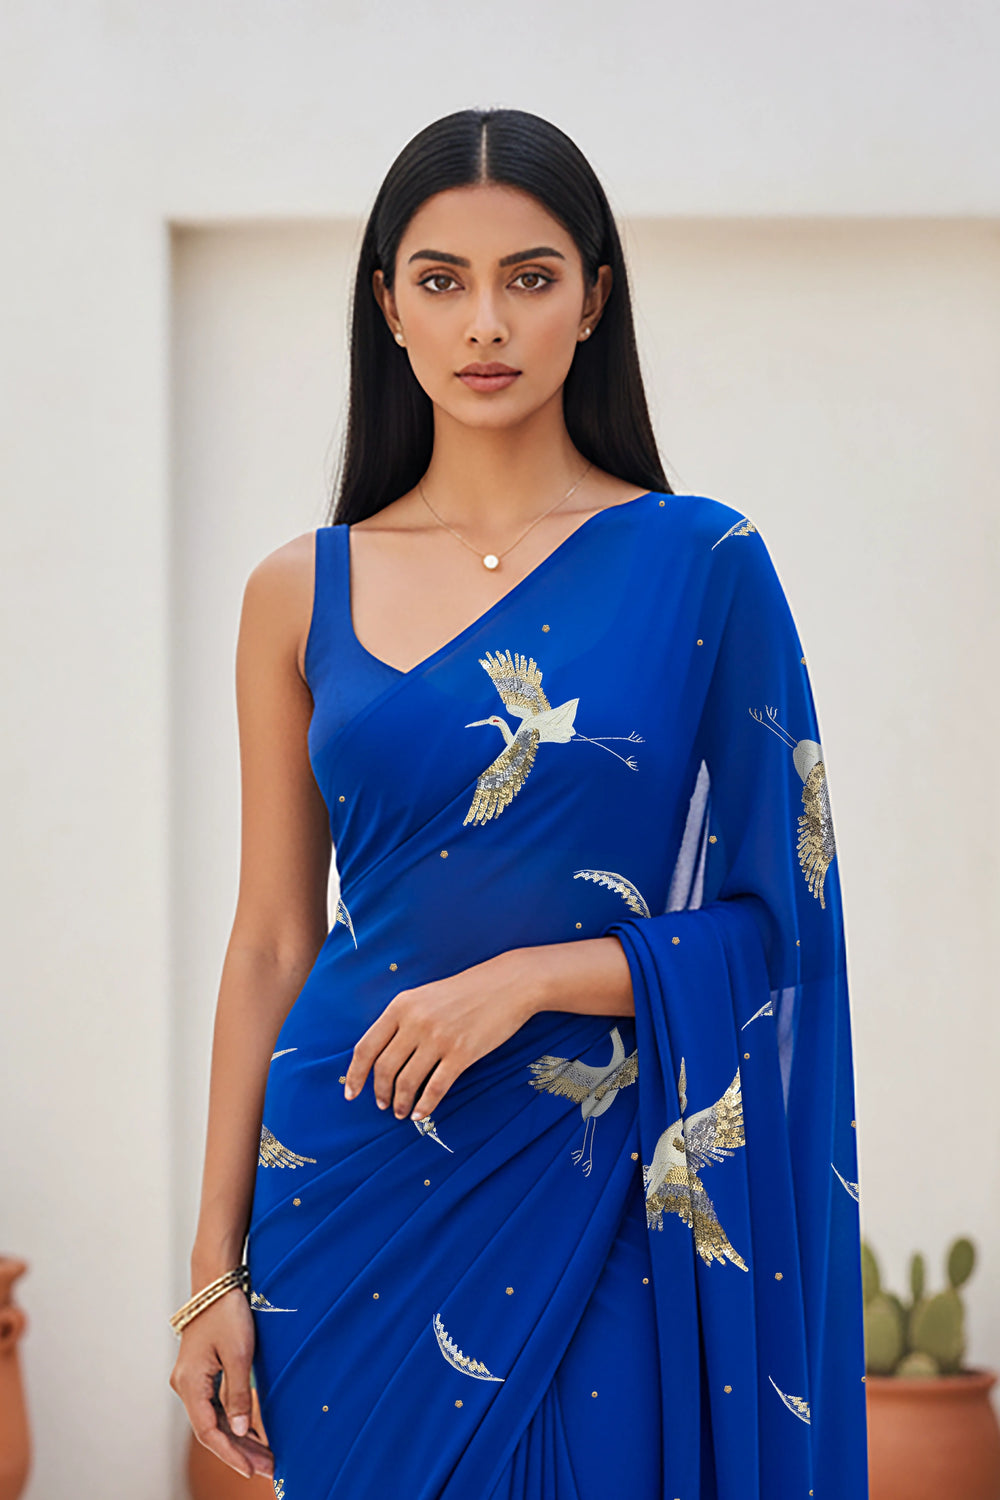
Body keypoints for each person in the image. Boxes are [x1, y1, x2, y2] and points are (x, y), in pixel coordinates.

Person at [169, 107, 869, 1500]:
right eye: (442, 281)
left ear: (593, 300)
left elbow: (782, 929)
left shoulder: (702, 562)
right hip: (348, 1175)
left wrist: (533, 979)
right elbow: (270, 941)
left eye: (529, 278)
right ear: (389, 306)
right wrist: (212, 1271)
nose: (484, 322)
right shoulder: (297, 591)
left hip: (603, 1168)